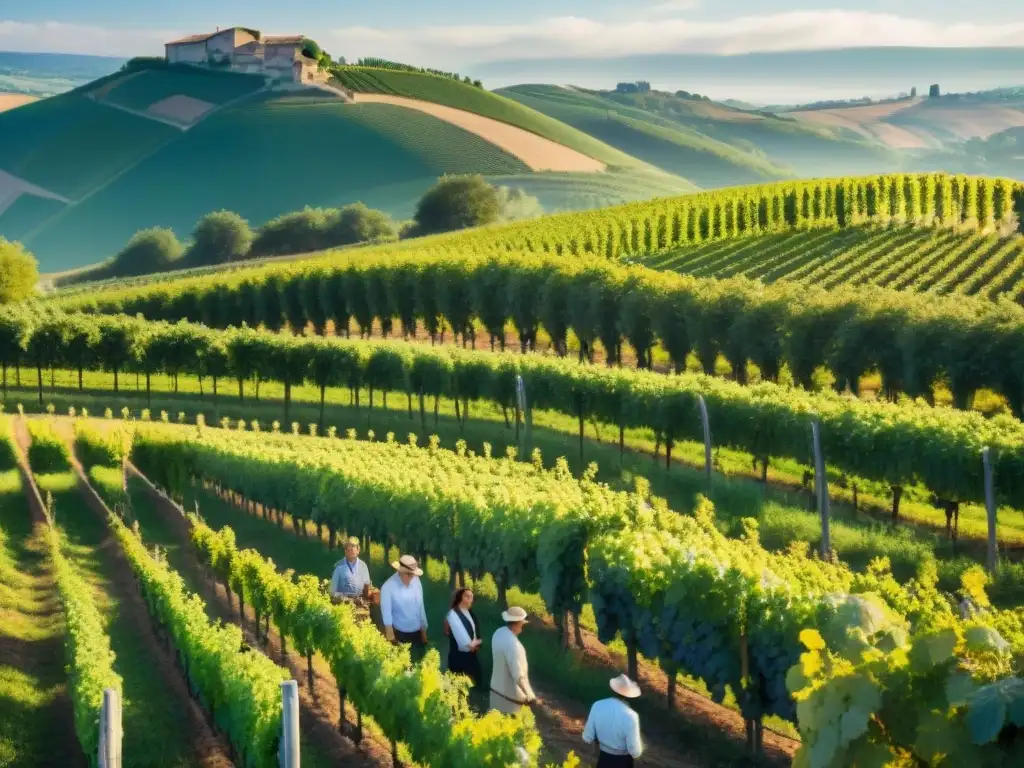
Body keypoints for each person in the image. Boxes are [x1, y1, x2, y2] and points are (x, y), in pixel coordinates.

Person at [582, 674, 644, 767]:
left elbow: (587, 737)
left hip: (603, 759)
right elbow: (635, 751)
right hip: (623, 762)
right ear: (629, 696)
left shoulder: (597, 705)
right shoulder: (631, 716)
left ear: (613, 690)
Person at [380, 554, 428, 662]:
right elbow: (387, 615)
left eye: (413, 574)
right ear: (400, 571)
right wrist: (391, 638)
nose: (412, 577)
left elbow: (420, 606)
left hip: (417, 632)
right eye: (409, 574)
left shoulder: (416, 581)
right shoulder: (388, 587)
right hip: (400, 633)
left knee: (420, 663)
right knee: (403, 666)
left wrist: (423, 628)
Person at [489, 606, 537, 714]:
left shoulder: (498, 633)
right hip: (510, 700)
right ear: (518, 623)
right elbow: (518, 675)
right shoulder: (514, 645)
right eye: (522, 622)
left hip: (495, 692)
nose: (523, 625)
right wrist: (529, 694)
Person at [446, 587, 483, 688]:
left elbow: (475, 632)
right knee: (458, 687)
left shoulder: (470, 613)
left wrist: (477, 643)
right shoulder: (453, 614)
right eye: (467, 596)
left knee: (476, 684)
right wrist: (476, 643)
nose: (470, 599)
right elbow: (464, 642)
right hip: (459, 657)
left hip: (471, 655)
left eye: (471, 597)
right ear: (460, 598)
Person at [329, 537, 372, 603]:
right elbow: (332, 592)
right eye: (348, 548)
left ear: (358, 550)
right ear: (345, 551)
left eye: (353, 547)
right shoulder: (338, 566)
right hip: (342, 603)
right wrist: (347, 600)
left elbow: (367, 587)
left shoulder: (363, 566)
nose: (350, 550)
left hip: (360, 602)